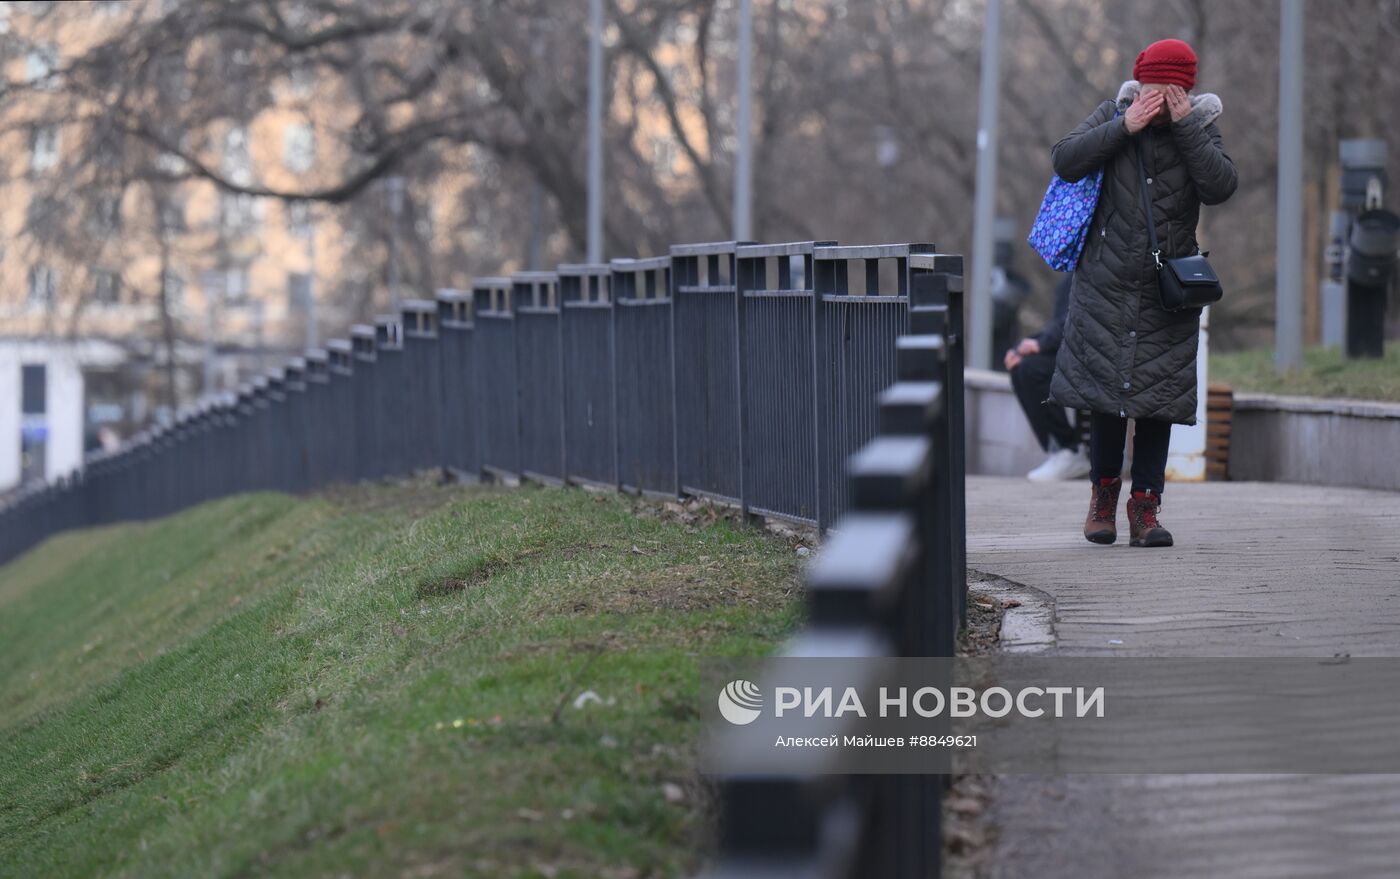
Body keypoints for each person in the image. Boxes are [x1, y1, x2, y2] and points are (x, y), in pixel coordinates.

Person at [1046, 38, 1237, 547]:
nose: (1158, 99)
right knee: (1105, 396)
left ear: (1186, 90)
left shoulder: (1198, 127)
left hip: (1167, 289)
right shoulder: (1115, 113)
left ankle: (1146, 509)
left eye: (1170, 91)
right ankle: (1102, 500)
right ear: (1140, 82)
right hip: (1104, 284)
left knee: (1159, 399)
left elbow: (1221, 186)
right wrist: (1123, 126)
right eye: (1152, 88)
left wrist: (1187, 127)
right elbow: (1064, 159)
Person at [1006, 274, 1090, 482]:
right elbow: (1063, 319)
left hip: (1096, 353)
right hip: (1076, 348)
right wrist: (1030, 344)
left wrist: (1042, 343)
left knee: (1032, 370)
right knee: (1023, 366)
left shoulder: (1096, 262)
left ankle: (1068, 451)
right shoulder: (1075, 269)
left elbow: (1083, 314)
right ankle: (1062, 450)